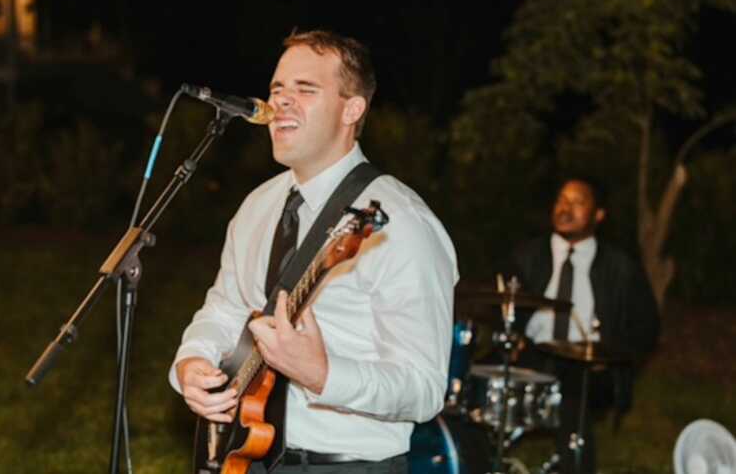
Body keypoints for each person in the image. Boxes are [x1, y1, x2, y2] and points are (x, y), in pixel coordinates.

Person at [169, 30, 457, 473]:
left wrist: (323, 374)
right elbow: (225, 308)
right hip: (247, 453)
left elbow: (423, 388)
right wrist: (192, 361)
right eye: (277, 90)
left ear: (352, 108)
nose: (281, 102)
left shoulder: (404, 224)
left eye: (305, 90)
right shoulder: (257, 206)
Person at [504, 176, 660, 474]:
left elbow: (646, 328)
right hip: (533, 354)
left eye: (578, 202)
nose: (566, 208)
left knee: (574, 391)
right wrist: (511, 336)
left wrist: (614, 357)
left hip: (588, 363)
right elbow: (501, 306)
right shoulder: (526, 256)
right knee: (475, 379)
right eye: (562, 200)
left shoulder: (621, 268)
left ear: (599, 214)